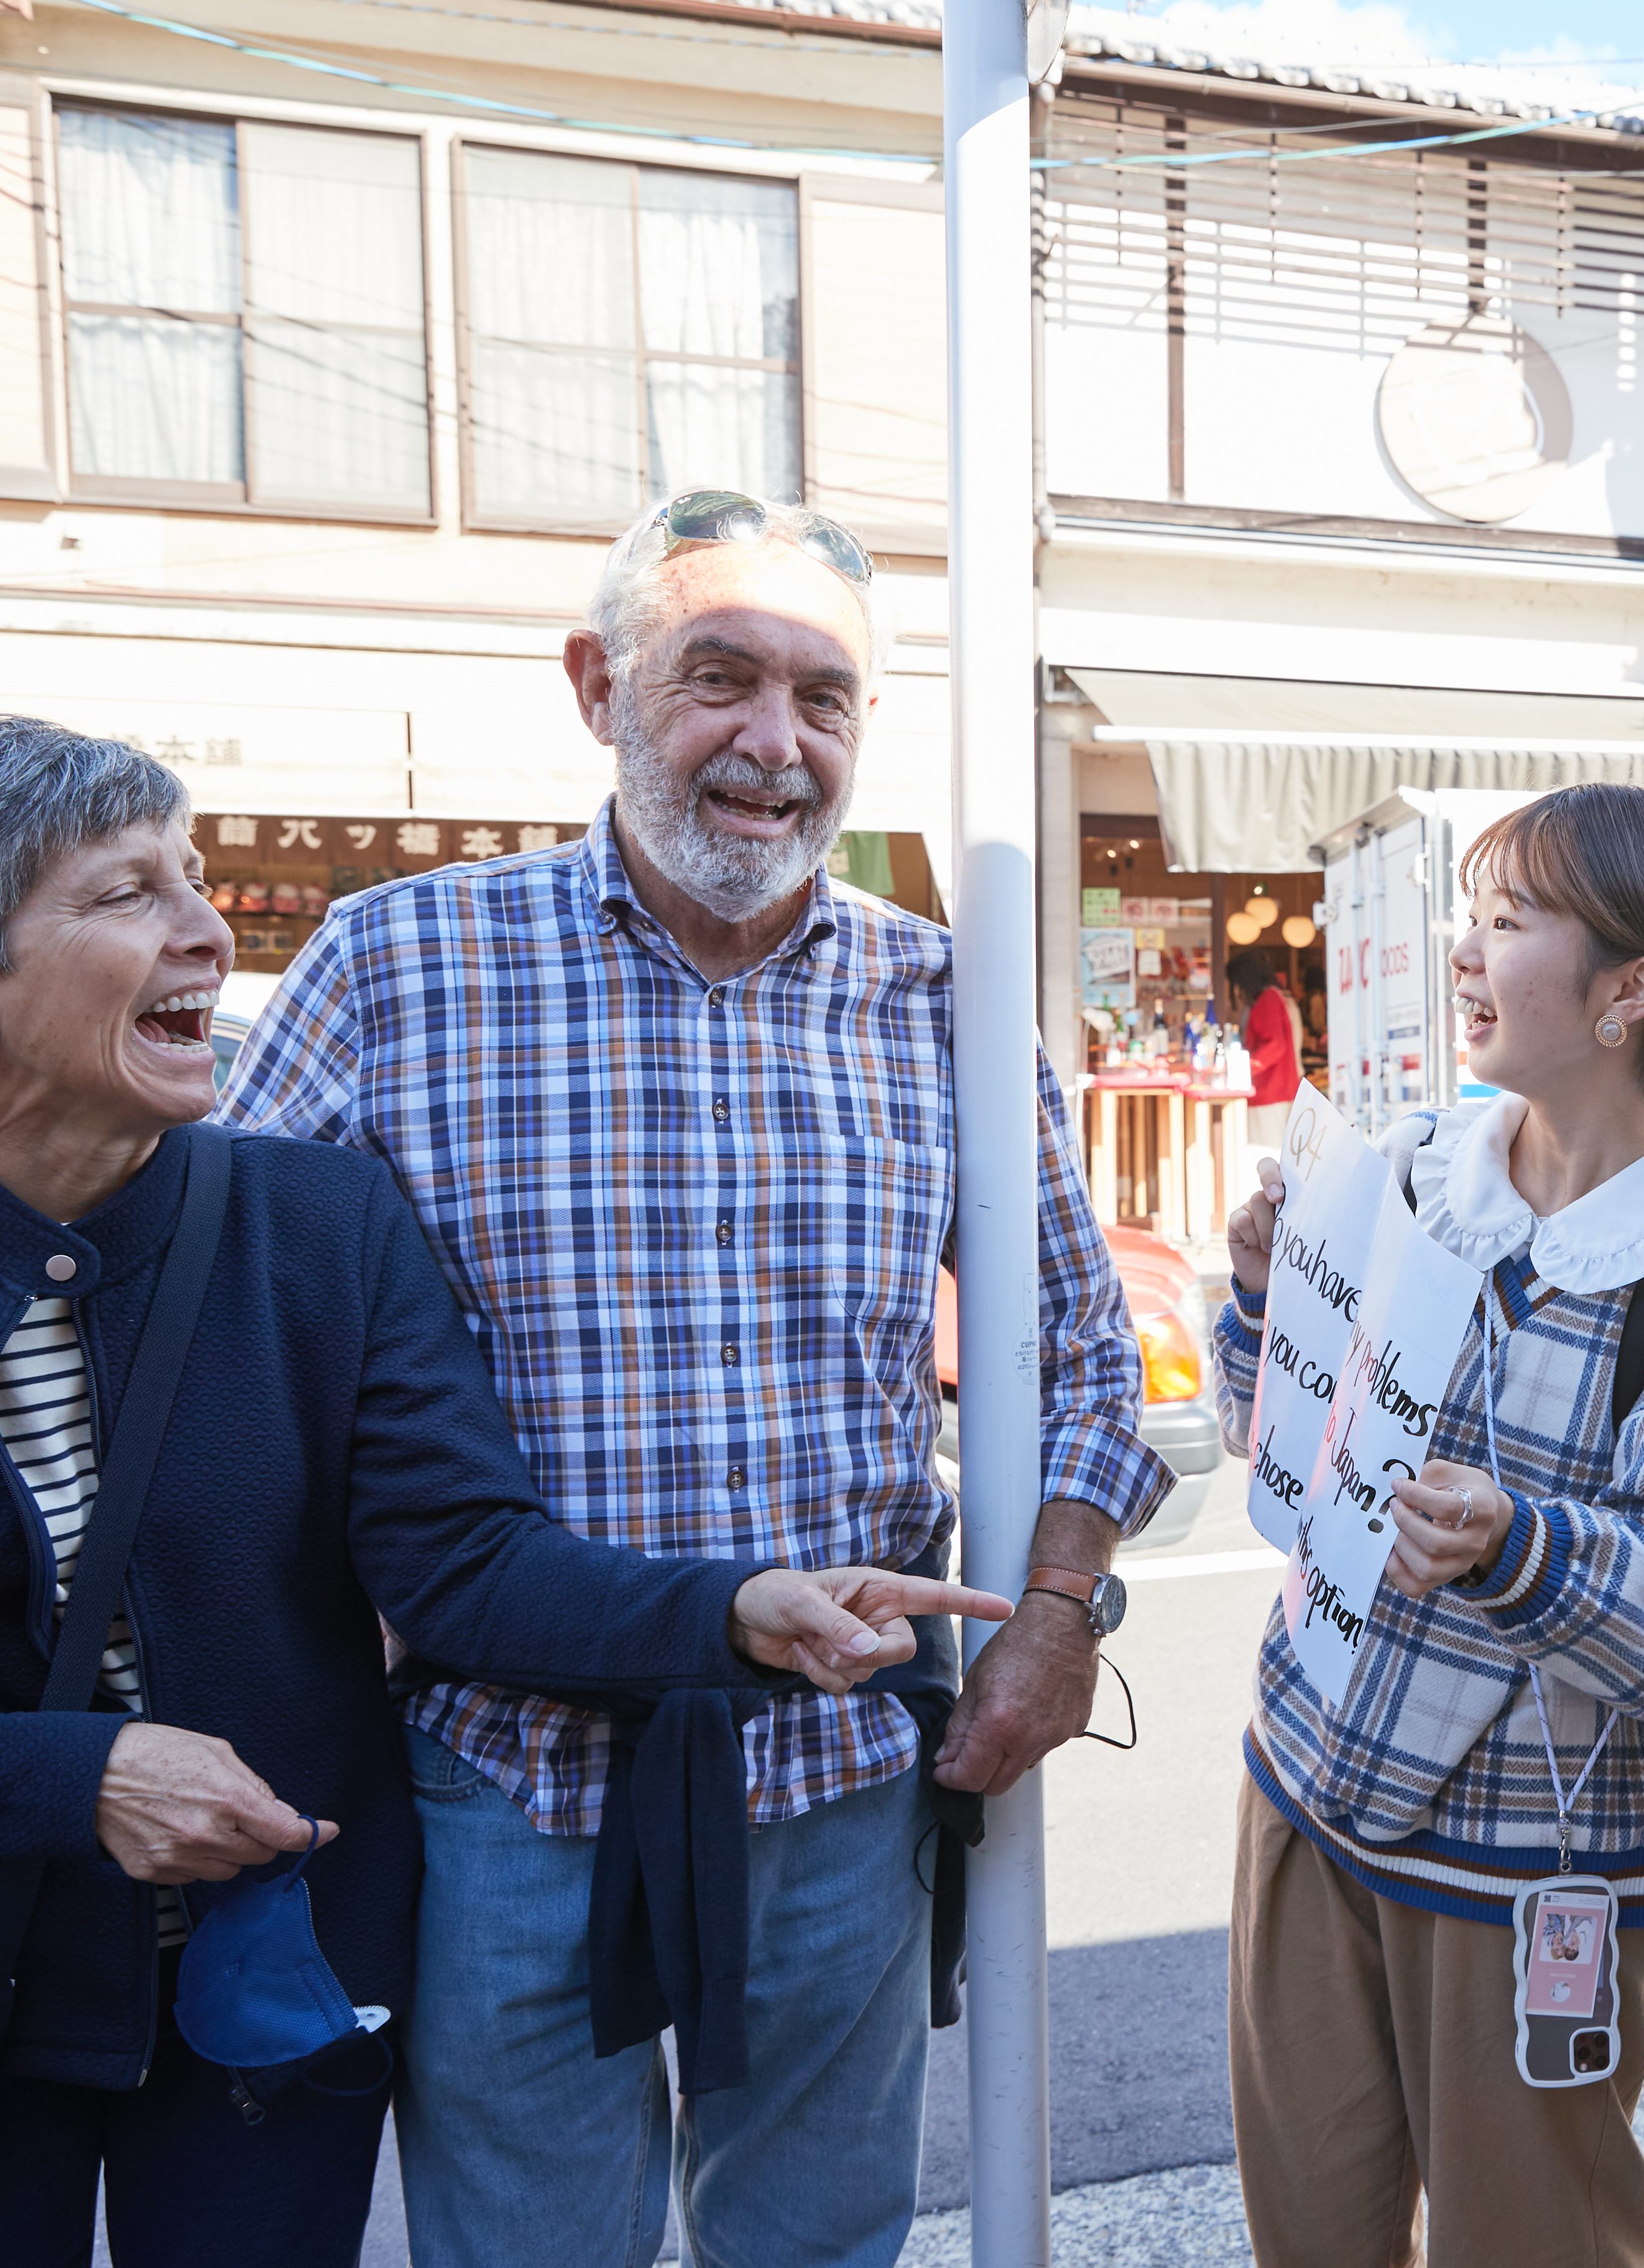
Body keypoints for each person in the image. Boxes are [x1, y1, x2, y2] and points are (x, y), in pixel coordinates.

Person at [0, 715, 1003, 2268]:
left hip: (269, 1997)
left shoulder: (315, 1222)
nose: (206, 929)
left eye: (193, 877)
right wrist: (81, 1780)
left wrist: (738, 1610)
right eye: (130, 893)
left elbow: (462, 1562)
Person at [218, 489, 1174, 2268]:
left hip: (843, 1785)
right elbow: (231, 1340)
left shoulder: (945, 1007)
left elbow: (1089, 1364)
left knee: (816, 2248)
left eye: (824, 699)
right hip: (510, 1782)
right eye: (718, 678)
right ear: (598, 686)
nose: (772, 743)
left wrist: (1057, 1615)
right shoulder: (399, 970)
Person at [1215, 783, 1644, 2268]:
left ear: (1629, 991)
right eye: (1472, 920)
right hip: (1302, 1788)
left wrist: (1515, 1542)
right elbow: (1268, 1437)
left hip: (1528, 1875)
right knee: (1308, 2239)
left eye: (1508, 925)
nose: (1465, 956)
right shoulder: (1408, 1171)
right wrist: (1265, 1299)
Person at [1227, 947, 1302, 1148]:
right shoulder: (1276, 997)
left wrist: (1243, 1069)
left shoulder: (1268, 999)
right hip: (1277, 1089)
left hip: (1270, 1091)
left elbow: (1275, 1045)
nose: (1236, 990)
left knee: (1265, 1155)